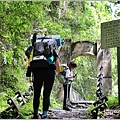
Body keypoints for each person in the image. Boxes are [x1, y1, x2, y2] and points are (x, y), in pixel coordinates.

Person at [26, 34, 61, 119]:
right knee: (46, 94)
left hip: (37, 73)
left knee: (36, 94)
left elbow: (30, 63)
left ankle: (35, 114)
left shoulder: (33, 50)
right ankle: (45, 115)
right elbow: (58, 69)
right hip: (49, 74)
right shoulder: (52, 51)